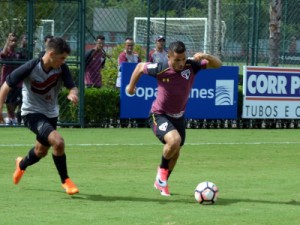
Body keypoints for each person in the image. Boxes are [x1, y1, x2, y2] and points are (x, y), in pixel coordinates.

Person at [126, 41, 222, 196]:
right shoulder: (160, 67)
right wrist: (131, 87)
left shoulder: (192, 65)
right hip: (158, 114)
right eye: (177, 60)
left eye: (183, 59)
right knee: (174, 141)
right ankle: (162, 173)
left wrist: (205, 55)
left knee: (175, 152)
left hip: (179, 117)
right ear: (168, 57)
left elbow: (218, 65)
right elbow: (138, 68)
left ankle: (162, 183)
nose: (181, 63)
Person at [0, 37, 79, 195]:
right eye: (62, 58)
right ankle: (66, 181)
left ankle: (21, 165)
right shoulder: (31, 66)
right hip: (31, 113)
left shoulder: (62, 68)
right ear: (51, 54)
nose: (63, 61)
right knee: (58, 141)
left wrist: (72, 93)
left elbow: (73, 87)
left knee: (41, 151)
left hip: (51, 114)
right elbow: (5, 86)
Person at [0, 33, 23, 125]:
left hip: (17, 81)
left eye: (15, 41)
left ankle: (12, 118)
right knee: (9, 101)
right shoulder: (5, 51)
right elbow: (3, 54)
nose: (13, 43)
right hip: (6, 81)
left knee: (16, 101)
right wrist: (7, 42)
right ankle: (11, 118)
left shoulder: (17, 53)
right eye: (11, 41)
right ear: (8, 41)